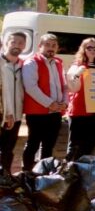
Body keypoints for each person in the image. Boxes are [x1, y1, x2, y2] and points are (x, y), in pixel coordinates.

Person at [21, 34, 68, 171]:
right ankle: (27, 172)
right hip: (37, 112)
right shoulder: (31, 62)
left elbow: (64, 86)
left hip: (55, 112)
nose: (50, 48)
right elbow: (30, 87)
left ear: (57, 48)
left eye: (54, 45)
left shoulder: (59, 62)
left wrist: (65, 102)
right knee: (33, 143)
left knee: (49, 145)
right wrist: (50, 103)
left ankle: (43, 172)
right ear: (40, 46)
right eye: (47, 45)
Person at [65, 38, 95, 160]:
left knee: (90, 143)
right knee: (75, 145)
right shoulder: (76, 65)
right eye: (89, 48)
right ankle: (69, 169)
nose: (92, 50)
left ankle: (84, 169)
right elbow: (72, 88)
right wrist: (77, 74)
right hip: (79, 110)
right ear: (83, 49)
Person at [0, 32, 25, 175]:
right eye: (13, 42)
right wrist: (7, 113)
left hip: (16, 117)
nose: (17, 45)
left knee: (8, 150)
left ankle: (6, 177)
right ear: (6, 43)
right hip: (3, 115)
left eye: (21, 43)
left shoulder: (22, 66)